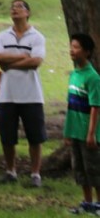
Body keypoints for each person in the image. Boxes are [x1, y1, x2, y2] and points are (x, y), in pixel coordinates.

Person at [0, 0, 47, 186]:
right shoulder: (2, 36)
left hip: (31, 94)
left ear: (27, 12)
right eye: (12, 7)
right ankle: (10, 171)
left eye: (19, 7)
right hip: (7, 94)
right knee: (8, 136)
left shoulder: (37, 37)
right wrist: (23, 56)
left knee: (35, 136)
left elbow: (36, 61)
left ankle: (35, 174)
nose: (14, 9)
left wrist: (11, 63)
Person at [63, 33, 100, 214]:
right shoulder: (74, 74)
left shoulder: (93, 77)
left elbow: (95, 106)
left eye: (76, 47)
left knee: (94, 170)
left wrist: (91, 133)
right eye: (71, 46)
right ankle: (87, 203)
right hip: (75, 131)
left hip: (88, 132)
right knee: (81, 170)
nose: (72, 50)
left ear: (86, 52)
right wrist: (68, 132)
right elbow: (71, 106)